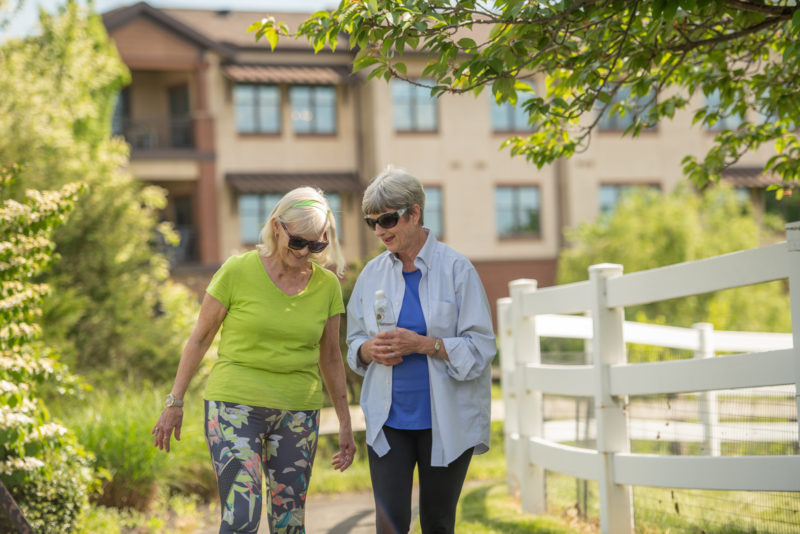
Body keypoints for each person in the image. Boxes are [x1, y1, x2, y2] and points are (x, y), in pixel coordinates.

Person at [152, 186, 356, 534]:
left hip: (297, 412)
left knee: (289, 522)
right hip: (233, 407)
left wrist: (345, 423)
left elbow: (332, 358)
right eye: (298, 242)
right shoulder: (237, 270)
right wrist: (174, 401)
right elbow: (200, 339)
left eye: (316, 245)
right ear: (277, 227)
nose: (306, 252)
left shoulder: (326, 287)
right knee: (241, 515)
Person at [346, 166, 497, 534]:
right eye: (372, 222)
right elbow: (353, 343)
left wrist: (427, 345)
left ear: (414, 213)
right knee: (390, 525)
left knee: (438, 522)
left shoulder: (457, 269)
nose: (380, 230)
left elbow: (482, 348)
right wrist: (368, 351)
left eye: (387, 219)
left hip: (445, 420)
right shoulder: (371, 275)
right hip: (389, 421)